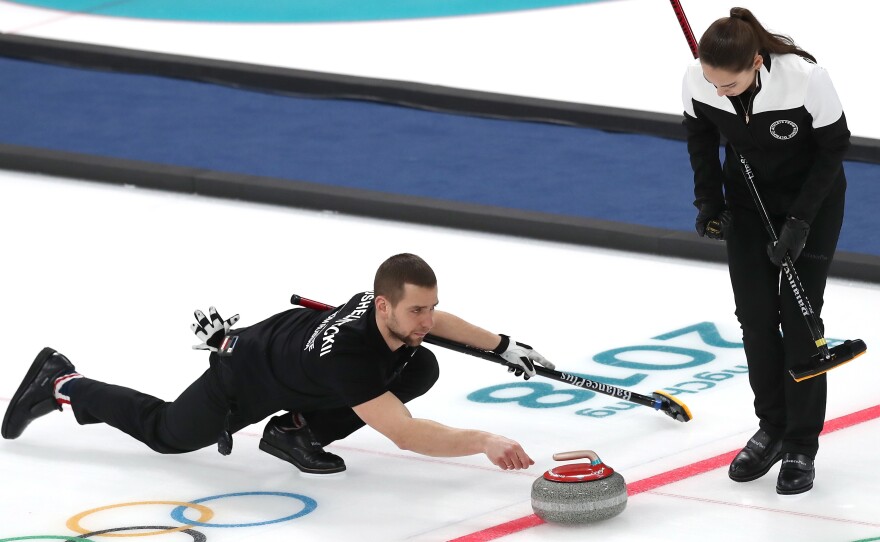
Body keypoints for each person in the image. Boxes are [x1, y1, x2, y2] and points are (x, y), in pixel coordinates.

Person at [2, 253, 554, 474]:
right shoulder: (352, 358)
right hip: (249, 374)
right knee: (167, 433)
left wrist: (501, 344)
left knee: (421, 364)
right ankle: (62, 382)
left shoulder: (389, 311)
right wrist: (483, 440)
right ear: (383, 304)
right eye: (416, 310)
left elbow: (439, 318)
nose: (426, 319)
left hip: (292, 358)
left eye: (429, 307)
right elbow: (405, 434)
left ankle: (294, 431)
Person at [681, 7, 850, 495]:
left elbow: (834, 149)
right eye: (712, 84)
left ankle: (802, 443)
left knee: (800, 322)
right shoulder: (699, 76)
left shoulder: (805, 78)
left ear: (756, 62)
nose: (718, 93)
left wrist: (799, 223)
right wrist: (709, 202)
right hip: (748, 203)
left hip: (810, 205)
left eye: (727, 87)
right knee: (754, 317)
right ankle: (772, 427)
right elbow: (700, 137)